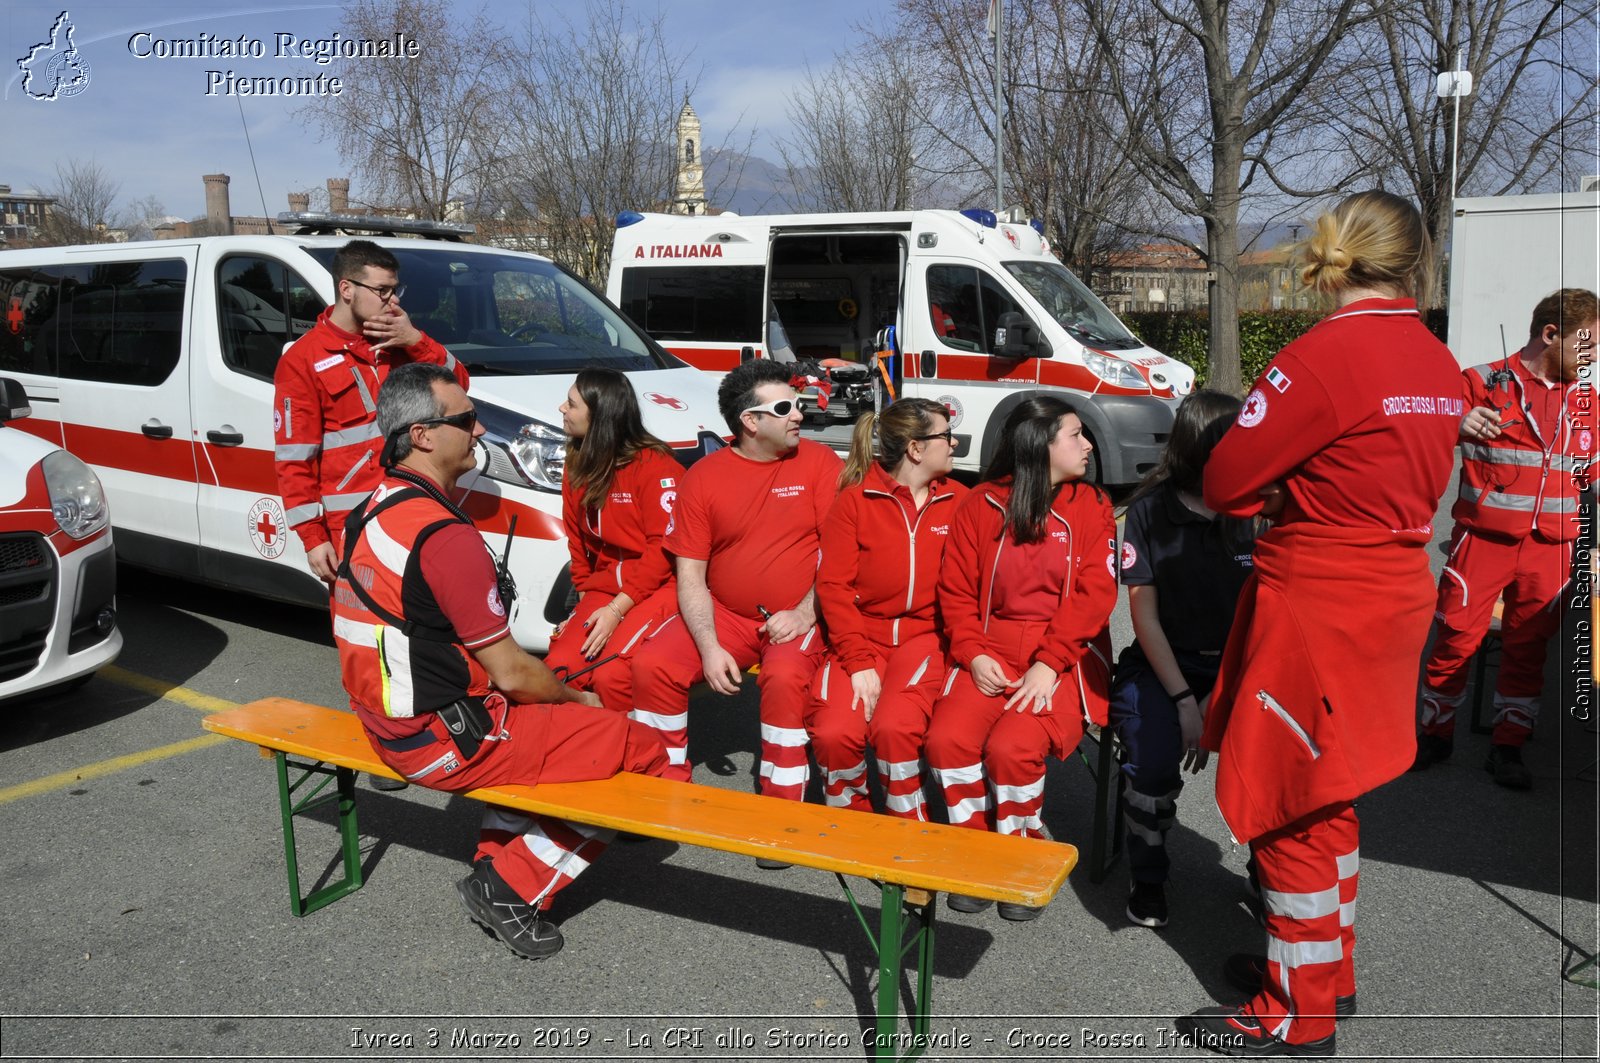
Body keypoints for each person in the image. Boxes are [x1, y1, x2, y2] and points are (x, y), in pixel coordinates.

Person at [1175, 191, 1461, 1057]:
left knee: (1292, 808)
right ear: (1411, 260)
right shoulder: (1436, 358)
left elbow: (1224, 485)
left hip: (1317, 604)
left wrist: (1284, 489)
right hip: (1394, 593)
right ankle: (1322, 973)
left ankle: (1295, 1014)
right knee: (1331, 796)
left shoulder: (1320, 356)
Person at [329, 363, 669, 961]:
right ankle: (511, 887)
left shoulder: (376, 504)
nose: (480, 429)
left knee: (552, 724)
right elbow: (512, 671)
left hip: (387, 722)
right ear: (424, 436)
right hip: (442, 736)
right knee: (634, 746)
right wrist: (579, 701)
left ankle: (497, 859)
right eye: (465, 420)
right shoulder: (444, 535)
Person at [924, 396, 1116, 920]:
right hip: (989, 647)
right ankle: (976, 849)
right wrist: (971, 652)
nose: (1088, 444)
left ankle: (1018, 851)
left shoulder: (1091, 505)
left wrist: (1050, 663)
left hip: (1062, 653)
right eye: (1075, 435)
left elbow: (1096, 596)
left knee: (1012, 748)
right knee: (947, 741)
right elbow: (955, 592)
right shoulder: (980, 502)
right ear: (1039, 444)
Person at [625, 359, 841, 812]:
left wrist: (804, 613)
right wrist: (707, 646)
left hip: (801, 613)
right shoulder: (703, 478)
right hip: (726, 615)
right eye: (785, 407)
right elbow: (690, 576)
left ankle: (782, 808)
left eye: (797, 404)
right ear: (750, 421)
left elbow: (839, 559)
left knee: (783, 678)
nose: (798, 415)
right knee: (653, 665)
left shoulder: (820, 463)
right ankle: (660, 788)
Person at [1412, 288, 1598, 789]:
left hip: (1554, 550)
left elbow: (1593, 473)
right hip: (1485, 542)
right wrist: (1457, 421)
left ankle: (1509, 746)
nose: (1593, 357)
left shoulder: (1586, 400)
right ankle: (1435, 734)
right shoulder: (1478, 381)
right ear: (1550, 334)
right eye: (1587, 345)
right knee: (1454, 638)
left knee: (1528, 648)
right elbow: (1419, 425)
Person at [1109, 390, 1255, 930]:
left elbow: (1267, 611)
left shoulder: (1257, 506)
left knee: (1271, 762)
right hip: (1165, 665)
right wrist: (1184, 701)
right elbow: (1144, 618)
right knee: (1149, 760)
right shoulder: (1150, 511)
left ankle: (1271, 879)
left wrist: (1224, 691)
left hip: (1244, 665)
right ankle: (1148, 879)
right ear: (1202, 445)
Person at [805, 398, 967, 819]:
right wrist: (858, 662)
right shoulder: (855, 502)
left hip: (926, 639)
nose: (954, 444)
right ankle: (852, 825)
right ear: (916, 448)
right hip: (861, 639)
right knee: (834, 730)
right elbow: (834, 588)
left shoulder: (962, 501)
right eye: (946, 436)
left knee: (895, 729)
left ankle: (906, 831)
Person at [273, 239, 469, 585]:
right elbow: (294, 459)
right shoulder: (303, 359)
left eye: (396, 290)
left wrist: (414, 340)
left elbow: (460, 385)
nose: (393, 301)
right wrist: (313, 538)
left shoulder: (402, 340)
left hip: (415, 504)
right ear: (346, 289)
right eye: (383, 291)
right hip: (352, 519)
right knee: (358, 624)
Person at [544, 368, 683, 710]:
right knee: (561, 670)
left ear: (601, 416)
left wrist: (617, 609)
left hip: (658, 587)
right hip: (606, 589)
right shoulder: (578, 461)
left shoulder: (656, 466)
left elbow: (663, 552)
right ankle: (577, 746)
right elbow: (577, 542)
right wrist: (583, 602)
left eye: (572, 404)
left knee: (610, 673)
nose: (562, 408)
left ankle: (631, 750)